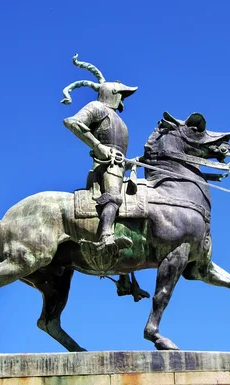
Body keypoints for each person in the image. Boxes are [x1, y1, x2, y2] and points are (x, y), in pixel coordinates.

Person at [61, 54, 138, 256]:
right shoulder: (97, 108)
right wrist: (98, 146)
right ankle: (106, 237)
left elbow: (119, 152)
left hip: (118, 165)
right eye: (121, 94)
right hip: (105, 166)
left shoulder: (119, 120)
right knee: (113, 196)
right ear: (113, 93)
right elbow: (73, 122)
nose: (122, 98)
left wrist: (132, 162)